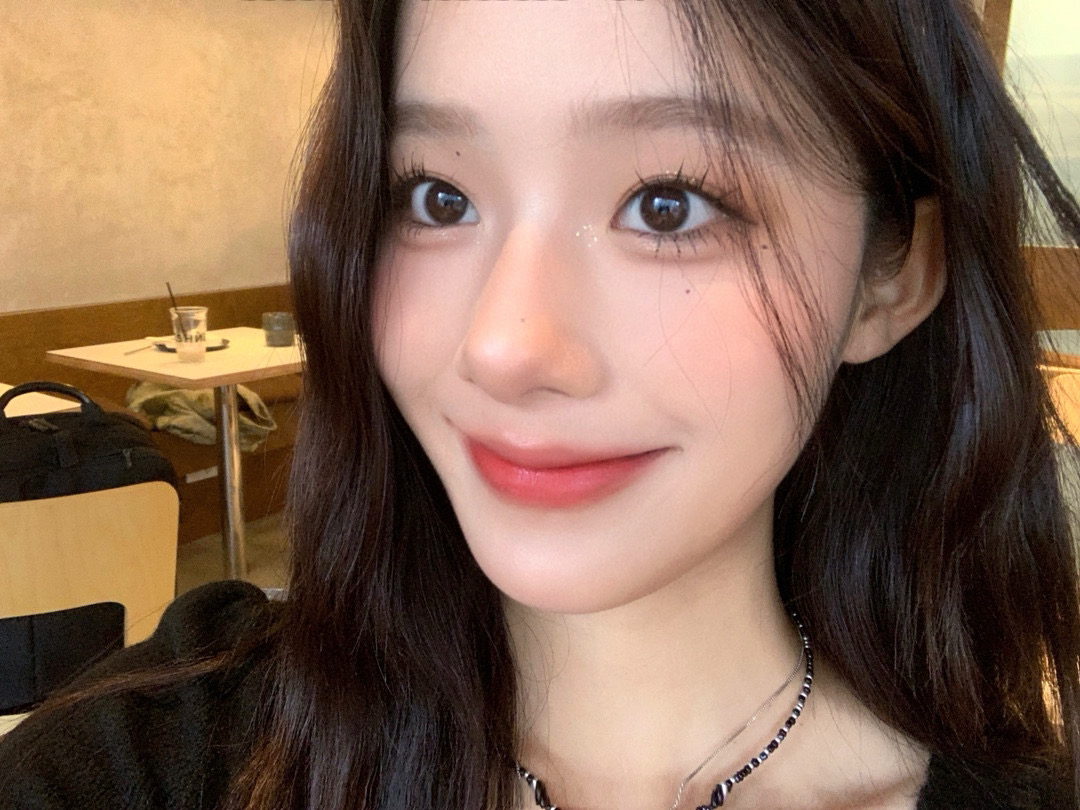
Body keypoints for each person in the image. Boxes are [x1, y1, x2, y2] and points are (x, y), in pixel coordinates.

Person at [2, 0, 1079, 807]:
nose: (505, 346)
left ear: (893, 276)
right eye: (437, 198)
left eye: (668, 204)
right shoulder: (158, 757)